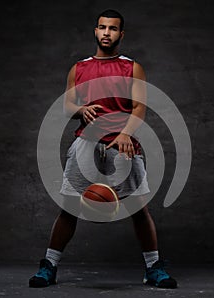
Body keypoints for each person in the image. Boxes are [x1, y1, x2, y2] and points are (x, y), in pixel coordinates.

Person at [29, 9, 177, 289]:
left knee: (138, 208)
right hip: (86, 142)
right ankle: (49, 265)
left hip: (123, 145)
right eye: (102, 27)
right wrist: (81, 109)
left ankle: (153, 267)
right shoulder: (79, 68)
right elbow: (67, 106)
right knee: (69, 208)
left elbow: (139, 108)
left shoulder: (132, 67)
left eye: (112, 28)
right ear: (95, 31)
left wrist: (124, 134)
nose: (106, 32)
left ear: (121, 34)